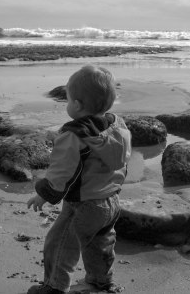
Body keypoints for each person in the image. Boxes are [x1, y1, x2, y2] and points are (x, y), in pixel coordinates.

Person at [27, 65, 132, 294]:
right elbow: (123, 160)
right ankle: (101, 281)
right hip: (111, 201)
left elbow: (62, 172)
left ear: (76, 105)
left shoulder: (73, 135)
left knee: (60, 245)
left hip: (84, 205)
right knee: (101, 243)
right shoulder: (118, 125)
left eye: (68, 100)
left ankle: (54, 287)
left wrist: (43, 194)